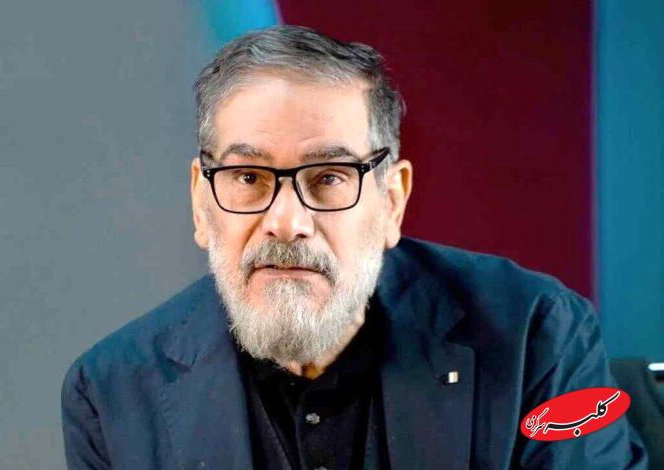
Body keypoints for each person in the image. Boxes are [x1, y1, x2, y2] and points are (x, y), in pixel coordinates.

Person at [61, 25, 647, 469]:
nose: (286, 222)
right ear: (200, 202)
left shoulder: (536, 336)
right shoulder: (111, 394)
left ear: (391, 201)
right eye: (248, 178)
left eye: (329, 178)